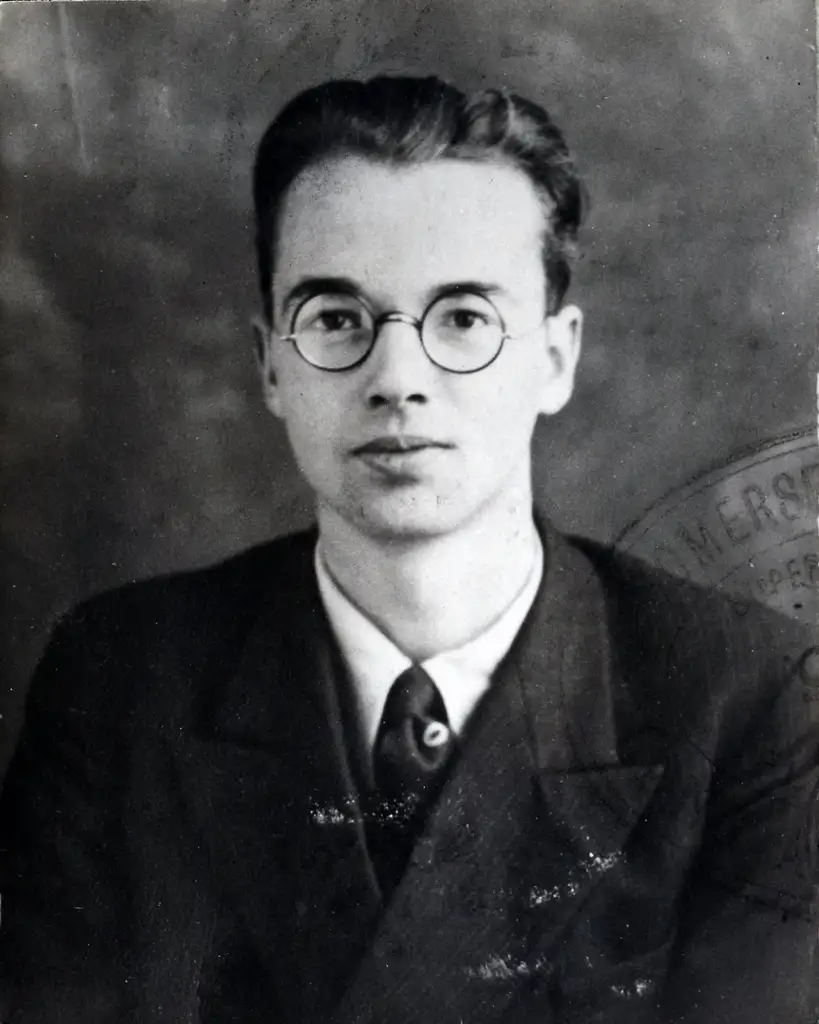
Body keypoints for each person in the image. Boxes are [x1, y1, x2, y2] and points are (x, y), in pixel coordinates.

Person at [0, 75, 816, 1024]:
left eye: (463, 318)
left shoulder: (746, 700)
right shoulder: (122, 681)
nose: (396, 379)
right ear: (270, 363)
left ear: (555, 358)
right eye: (336, 319)